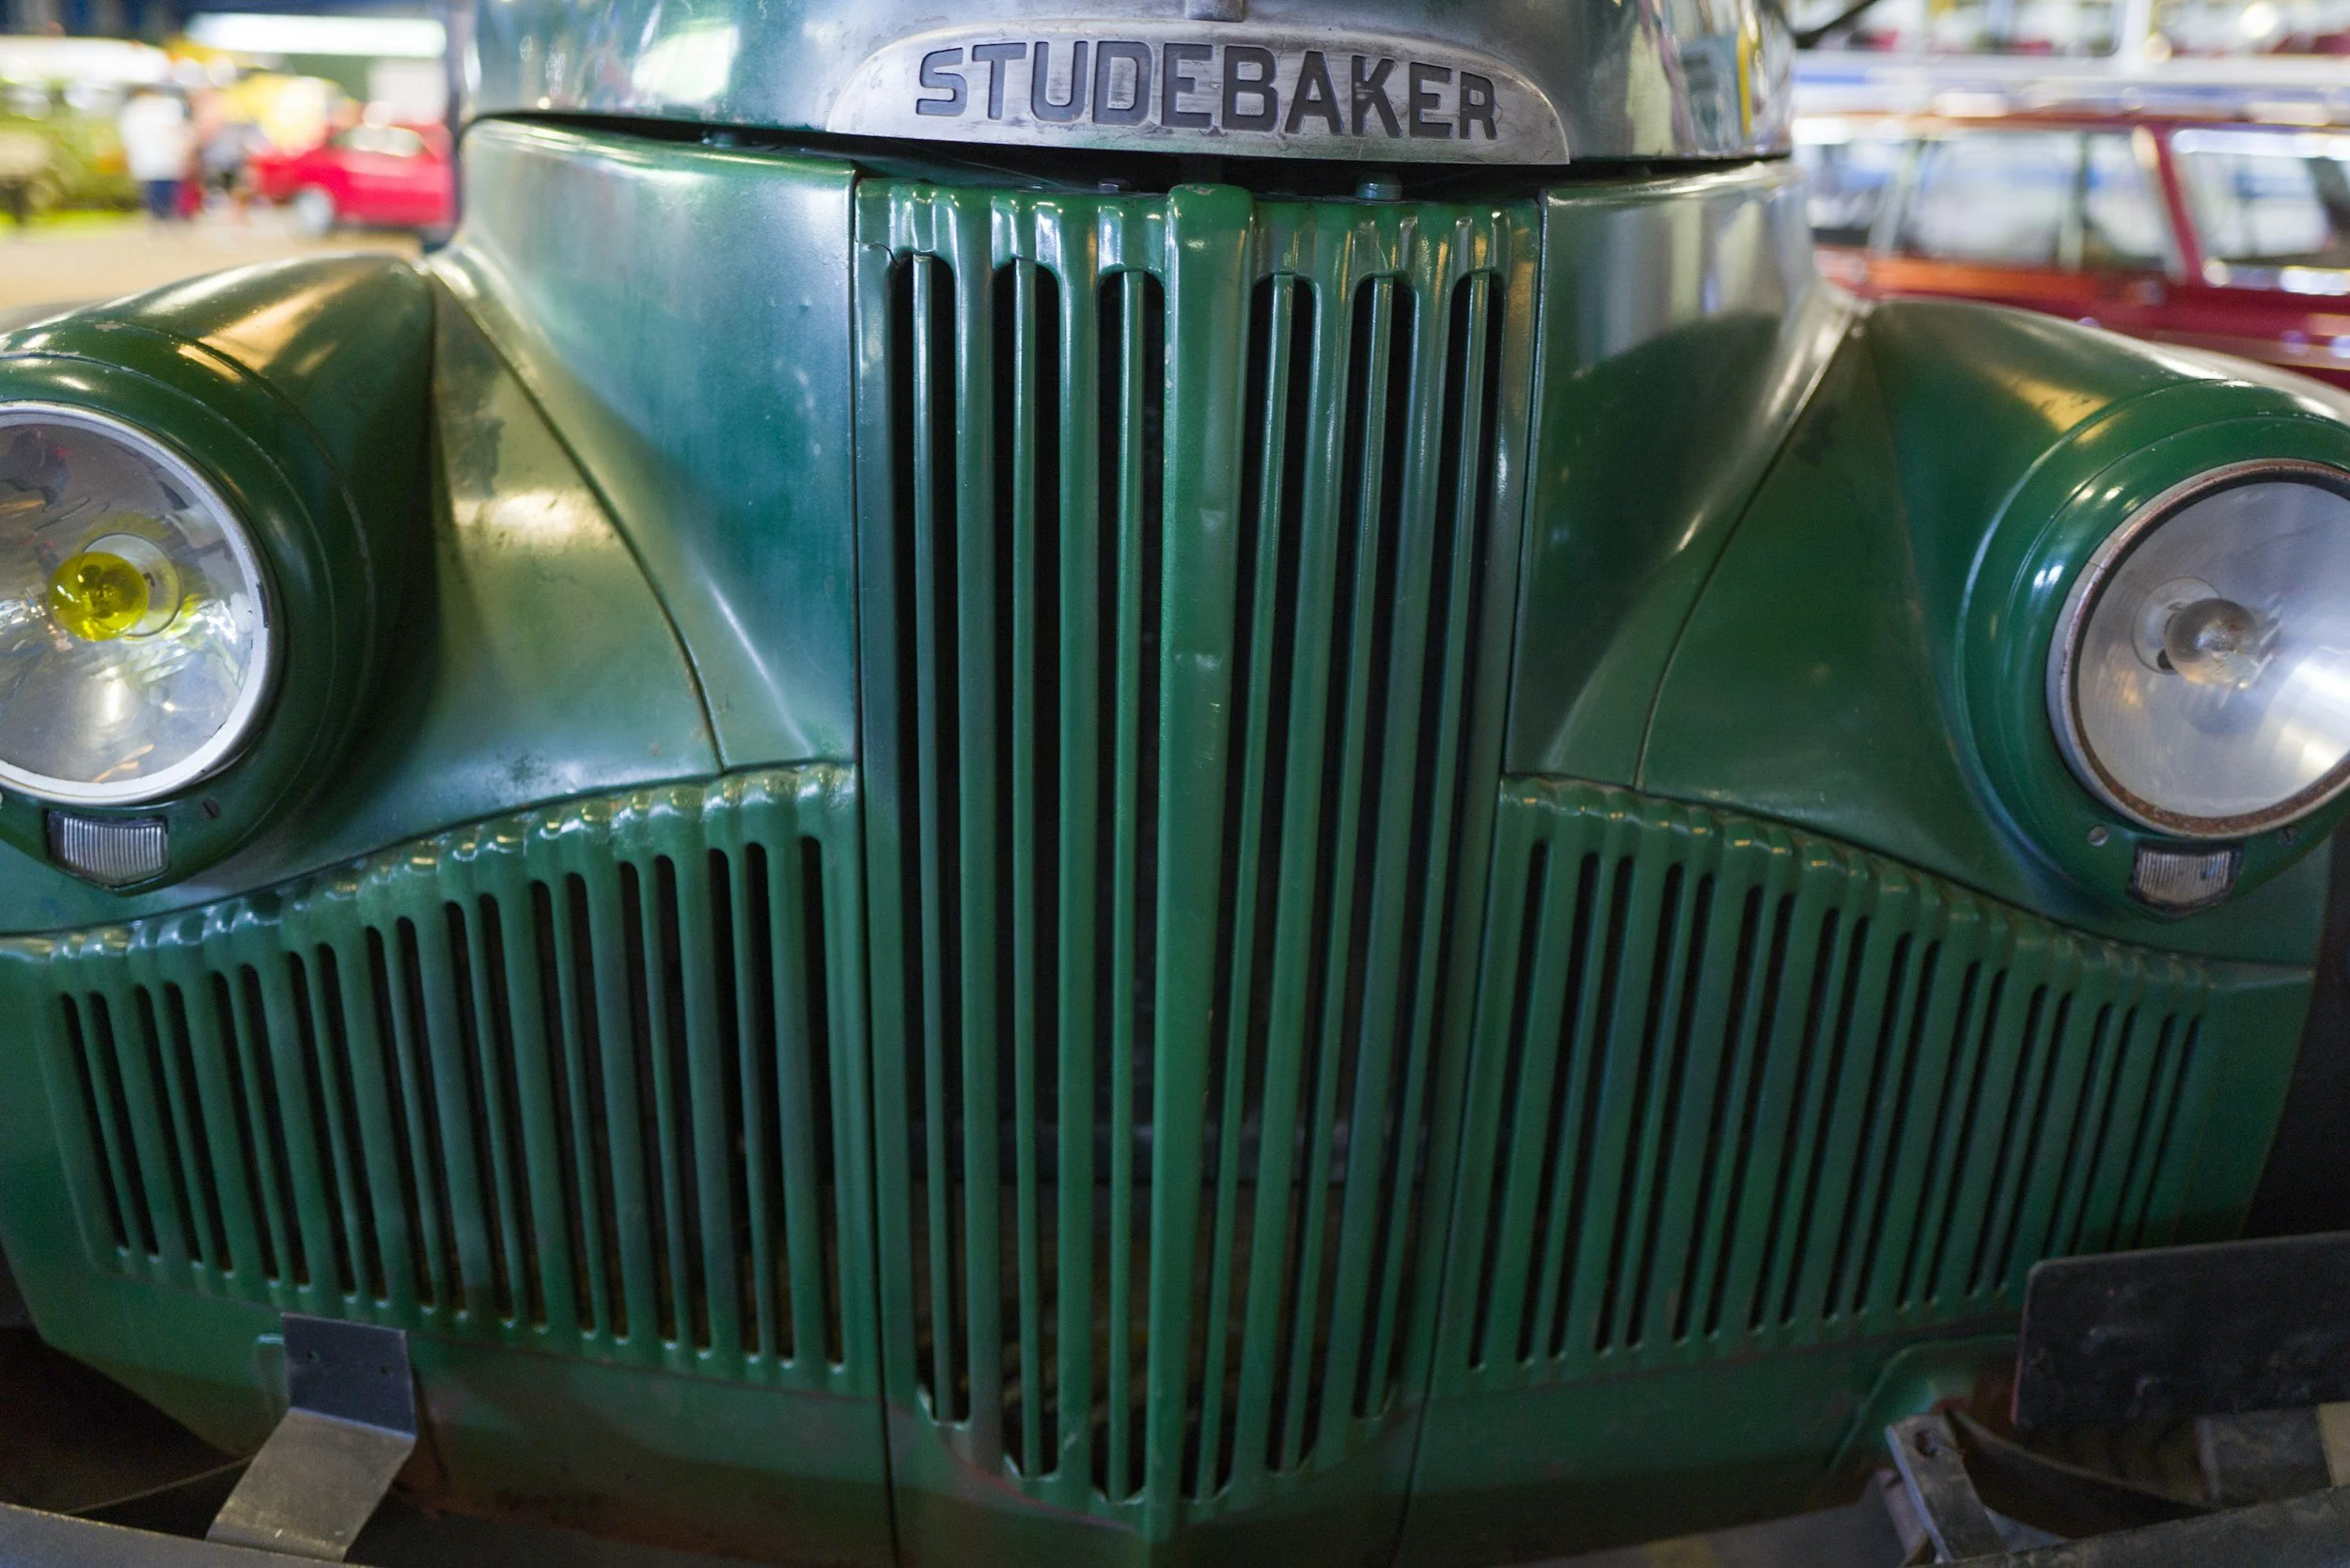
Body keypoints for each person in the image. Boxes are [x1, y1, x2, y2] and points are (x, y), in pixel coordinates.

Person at [116, 86, 192, 224]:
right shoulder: (158, 109)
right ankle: (162, 214)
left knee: (159, 187)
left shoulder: (137, 111)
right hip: (159, 157)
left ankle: (161, 214)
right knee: (160, 187)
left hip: (162, 157)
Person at [0, 125, 47, 232]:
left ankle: (23, 221)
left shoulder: (22, 148)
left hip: (21, 178)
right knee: (12, 201)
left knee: (22, 200)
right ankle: (17, 221)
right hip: (8, 177)